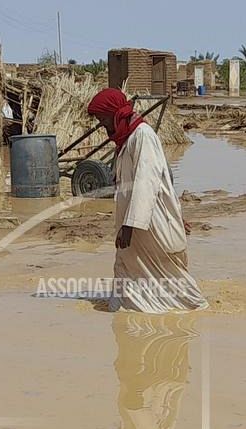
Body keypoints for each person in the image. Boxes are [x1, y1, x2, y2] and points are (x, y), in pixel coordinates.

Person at [87, 89, 207, 313]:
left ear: (115, 114)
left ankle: (193, 310)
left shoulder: (142, 135)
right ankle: (127, 312)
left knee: (168, 273)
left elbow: (147, 181)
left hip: (150, 222)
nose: (103, 126)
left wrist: (131, 225)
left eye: (103, 120)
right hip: (138, 221)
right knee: (131, 267)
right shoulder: (127, 139)